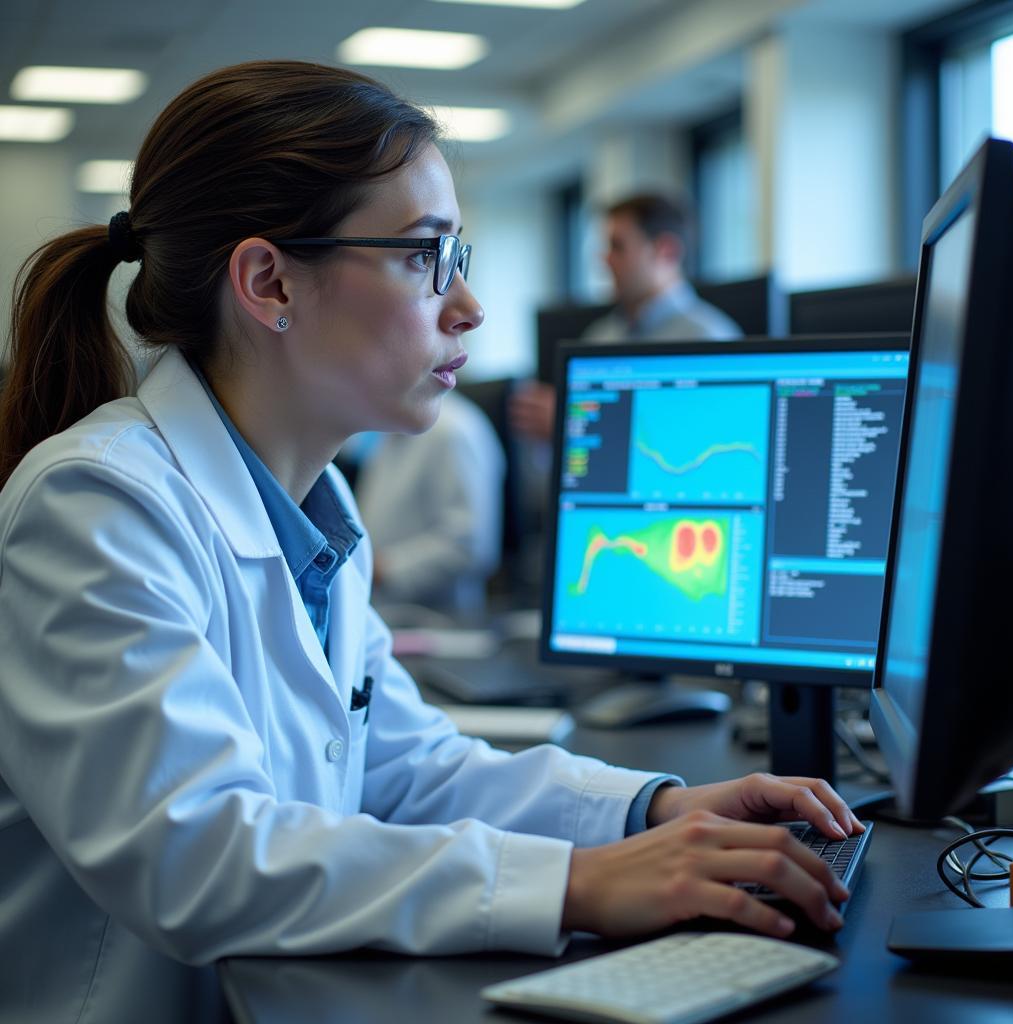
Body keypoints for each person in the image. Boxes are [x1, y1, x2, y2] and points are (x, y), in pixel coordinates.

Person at [0, 61, 860, 1024]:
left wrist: (654, 810)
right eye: (423, 256)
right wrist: (577, 882)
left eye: (460, 256)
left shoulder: (313, 505)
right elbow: (196, 857)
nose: (468, 308)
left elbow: (408, 767)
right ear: (268, 280)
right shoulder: (98, 503)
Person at [509, 192, 742, 442]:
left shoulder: (711, 340)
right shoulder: (600, 337)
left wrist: (572, 424)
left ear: (666, 251)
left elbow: (699, 441)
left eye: (617, 246)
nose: (604, 259)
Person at [352, 387, 506, 616]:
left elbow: (470, 547)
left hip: (438, 623)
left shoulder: (452, 431)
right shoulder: (392, 425)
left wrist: (383, 569)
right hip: (384, 613)